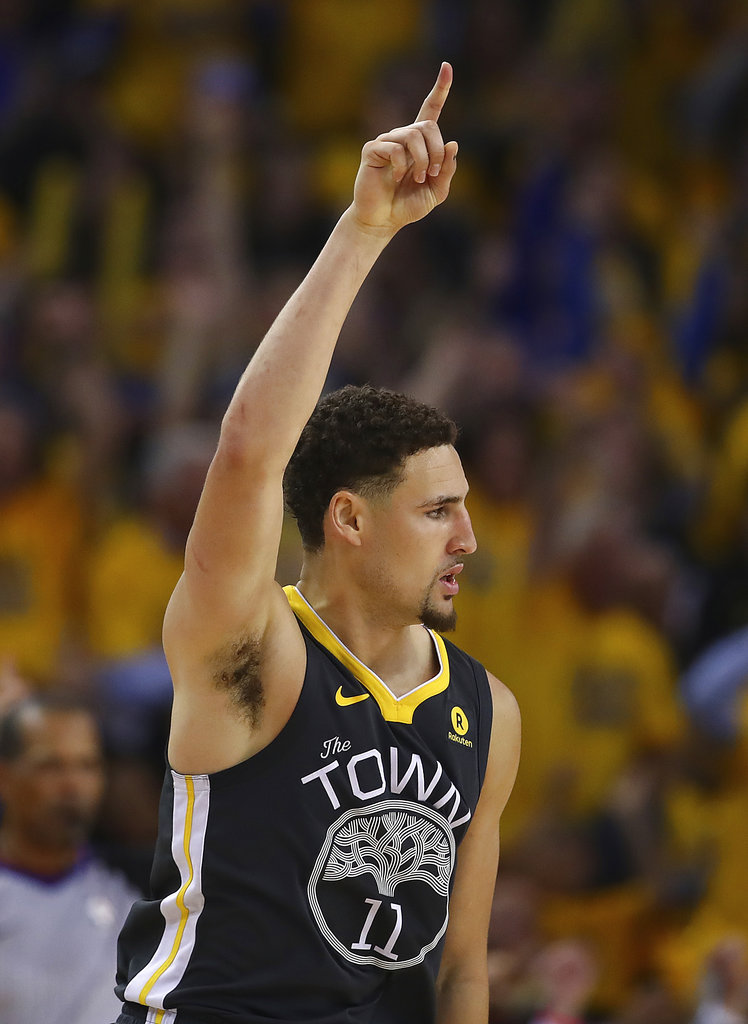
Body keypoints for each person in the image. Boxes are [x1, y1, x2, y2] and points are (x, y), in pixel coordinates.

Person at [114, 62, 521, 1024]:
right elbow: (250, 451)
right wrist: (364, 232)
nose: (467, 538)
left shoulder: (488, 713)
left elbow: (461, 976)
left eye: (463, 507)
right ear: (348, 519)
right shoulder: (252, 654)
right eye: (437, 512)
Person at [0, 692, 138, 1024]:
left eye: (87, 765)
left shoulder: (138, 885)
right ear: (4, 776)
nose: (72, 786)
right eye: (51, 766)